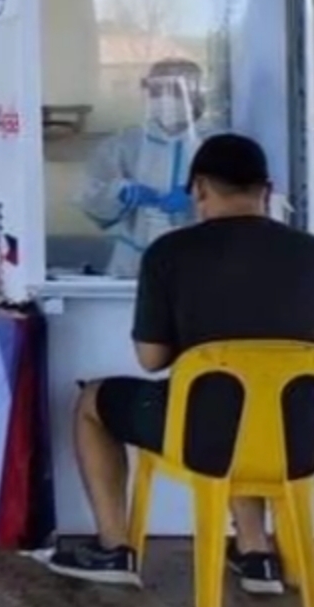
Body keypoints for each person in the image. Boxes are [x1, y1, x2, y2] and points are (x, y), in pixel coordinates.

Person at [47, 133, 314, 593]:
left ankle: (114, 547)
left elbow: (150, 359)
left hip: (202, 434)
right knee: (251, 410)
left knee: (95, 401)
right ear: (267, 191)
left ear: (200, 188)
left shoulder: (171, 253)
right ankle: (256, 554)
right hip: (302, 436)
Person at [78, 58, 213, 278]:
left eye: (174, 91)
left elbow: (237, 199)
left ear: (195, 94)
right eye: (156, 91)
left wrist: (196, 198)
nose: (164, 99)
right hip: (134, 261)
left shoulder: (216, 143)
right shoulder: (127, 144)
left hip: (201, 259)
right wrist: (120, 192)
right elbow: (89, 197)